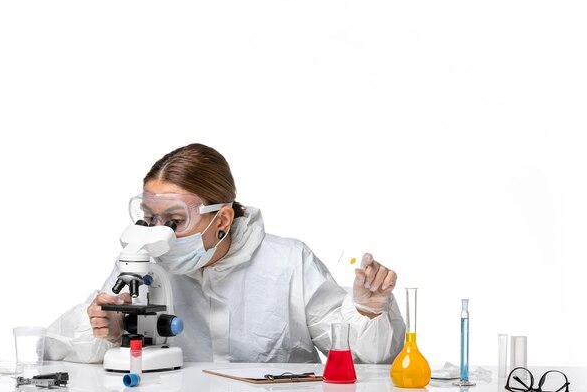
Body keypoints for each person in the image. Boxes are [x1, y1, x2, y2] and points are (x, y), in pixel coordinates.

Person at [45, 143, 405, 364]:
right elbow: (57, 347)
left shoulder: (288, 262)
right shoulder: (145, 260)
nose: (158, 234)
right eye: (149, 219)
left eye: (174, 221)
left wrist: (367, 312)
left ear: (223, 219)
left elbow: (366, 358)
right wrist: (104, 329)